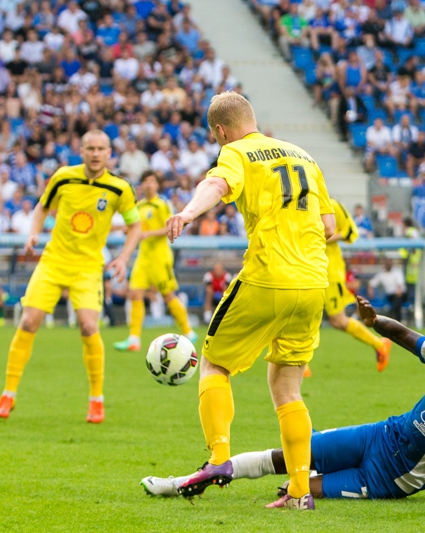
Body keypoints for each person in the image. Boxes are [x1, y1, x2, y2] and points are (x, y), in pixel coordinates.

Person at [142, 296, 425, 509]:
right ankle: (195, 477)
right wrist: (375, 321)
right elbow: (405, 335)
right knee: (290, 455)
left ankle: (287, 487)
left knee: (295, 490)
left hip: (391, 479)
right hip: (379, 436)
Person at [163, 92, 336, 510]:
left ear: (221, 131)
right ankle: (299, 492)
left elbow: (216, 184)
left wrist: (188, 213)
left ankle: (219, 459)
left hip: (268, 275)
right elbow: (329, 226)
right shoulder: (304, 156)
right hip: (314, 283)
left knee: (214, 364)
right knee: (287, 387)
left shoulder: (237, 152)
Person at [0, 130, 142, 424]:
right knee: (28, 321)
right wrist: (33, 232)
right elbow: (42, 207)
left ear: (109, 153)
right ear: (81, 151)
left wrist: (124, 258)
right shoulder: (63, 177)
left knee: (88, 325)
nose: (95, 153)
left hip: (88, 267)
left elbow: (135, 226)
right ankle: (8, 393)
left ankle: (96, 399)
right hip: (53, 261)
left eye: (100, 149)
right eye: (90, 148)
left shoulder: (119, 188)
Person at [113, 171, 196, 352]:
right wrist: (127, 230)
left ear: (157, 185)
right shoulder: (139, 206)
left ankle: (189, 332)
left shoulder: (161, 205)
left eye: (152, 181)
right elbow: (134, 227)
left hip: (160, 257)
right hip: (143, 258)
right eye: (145, 181)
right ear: (141, 185)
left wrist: (148, 233)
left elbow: (170, 227)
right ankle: (134, 339)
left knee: (168, 296)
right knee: (135, 294)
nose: (149, 184)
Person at [317, 198, 391, 376]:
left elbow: (350, 231)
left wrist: (321, 237)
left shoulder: (331, 205)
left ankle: (379, 344)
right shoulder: (297, 203)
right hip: (308, 270)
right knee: (303, 315)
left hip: (329, 272)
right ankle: (300, 367)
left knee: (338, 321)